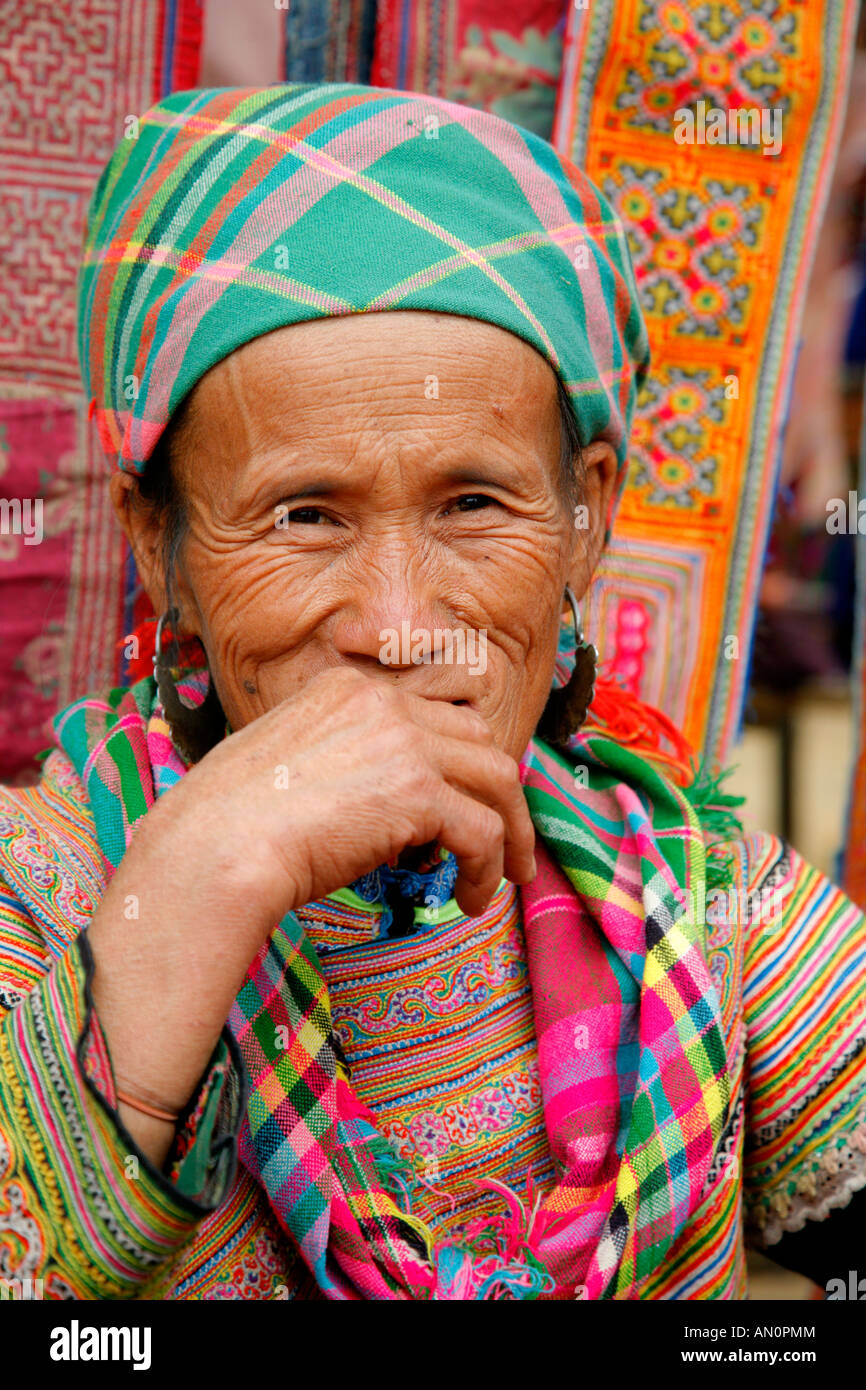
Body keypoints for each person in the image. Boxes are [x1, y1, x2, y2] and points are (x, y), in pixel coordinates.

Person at [0, 82, 864, 1302]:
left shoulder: (709, 919)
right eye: (304, 517)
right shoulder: (37, 908)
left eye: (473, 504)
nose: (399, 627)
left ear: (586, 519)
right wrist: (189, 896)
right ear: (162, 551)